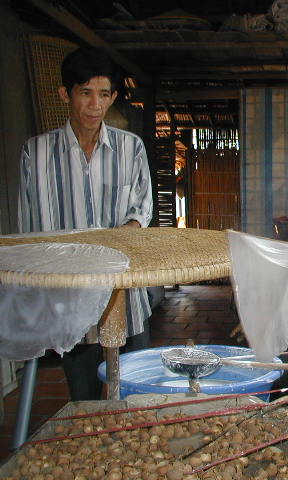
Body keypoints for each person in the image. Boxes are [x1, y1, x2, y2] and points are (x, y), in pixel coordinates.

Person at [17, 46, 153, 400]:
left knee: (138, 391)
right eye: (86, 93)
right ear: (66, 94)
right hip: (71, 297)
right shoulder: (37, 153)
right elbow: (29, 227)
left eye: (104, 94)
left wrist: (122, 237)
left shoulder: (131, 148)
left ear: (113, 97)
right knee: (84, 395)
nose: (95, 105)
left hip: (124, 292)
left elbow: (142, 209)